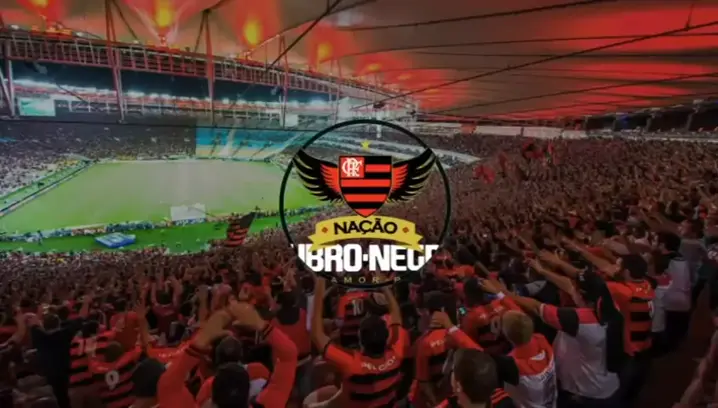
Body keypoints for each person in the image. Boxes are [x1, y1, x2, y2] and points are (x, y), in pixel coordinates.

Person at [310, 278, 407, 408]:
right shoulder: (396, 355)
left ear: (360, 339)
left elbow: (317, 335)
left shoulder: (353, 363)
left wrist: (320, 281)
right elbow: (397, 316)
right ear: (386, 337)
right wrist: (384, 286)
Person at [30, 293, 92, 408]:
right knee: (64, 398)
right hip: (64, 372)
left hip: (48, 373)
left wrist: (39, 312)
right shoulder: (64, 334)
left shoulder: (39, 336)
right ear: (59, 323)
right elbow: (82, 317)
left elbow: (34, 322)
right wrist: (86, 303)